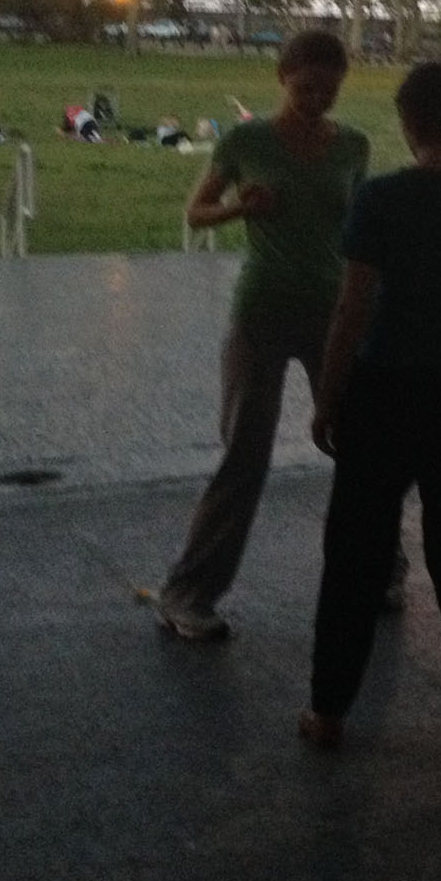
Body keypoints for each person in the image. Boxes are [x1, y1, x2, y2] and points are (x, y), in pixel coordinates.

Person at [298, 61, 441, 749]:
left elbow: (352, 310)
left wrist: (329, 396)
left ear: (407, 123)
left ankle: (330, 709)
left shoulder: (381, 199)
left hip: (383, 389)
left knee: (356, 549)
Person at [154, 31, 372, 640]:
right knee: (246, 455)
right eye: (306, 88)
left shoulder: (354, 146)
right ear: (282, 77)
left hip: (331, 315)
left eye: (329, 90)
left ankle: (380, 568)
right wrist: (239, 208)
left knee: (362, 445)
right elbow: (195, 212)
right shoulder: (246, 141)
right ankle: (187, 595)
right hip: (262, 312)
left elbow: (359, 230)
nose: (317, 100)